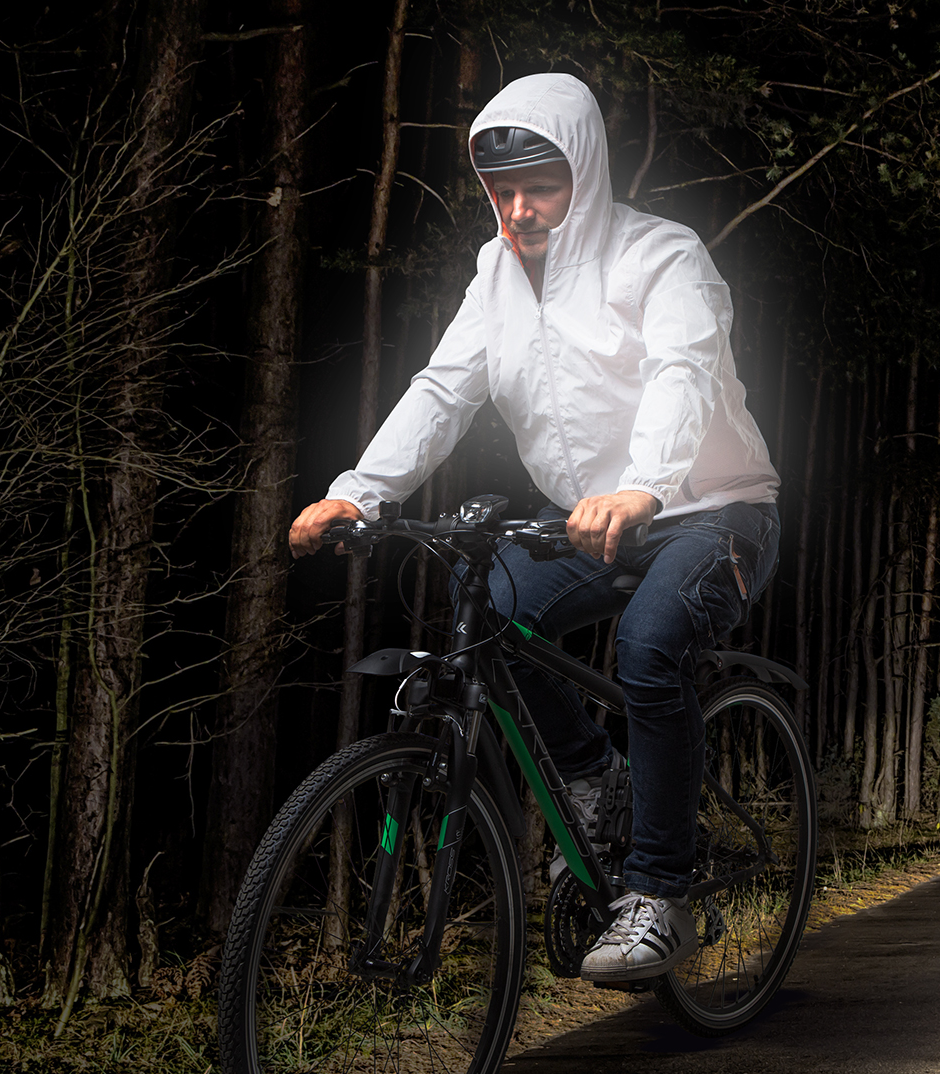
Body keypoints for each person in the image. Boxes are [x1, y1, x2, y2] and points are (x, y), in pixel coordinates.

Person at [290, 73, 781, 986]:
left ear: (584, 177)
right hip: (590, 517)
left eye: (541, 188)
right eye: (502, 190)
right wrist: (361, 493)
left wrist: (642, 487)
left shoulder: (661, 256)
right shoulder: (496, 272)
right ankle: (594, 779)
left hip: (710, 507)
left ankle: (660, 892)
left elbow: (683, 370)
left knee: (649, 647)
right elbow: (443, 390)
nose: (519, 210)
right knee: (489, 607)